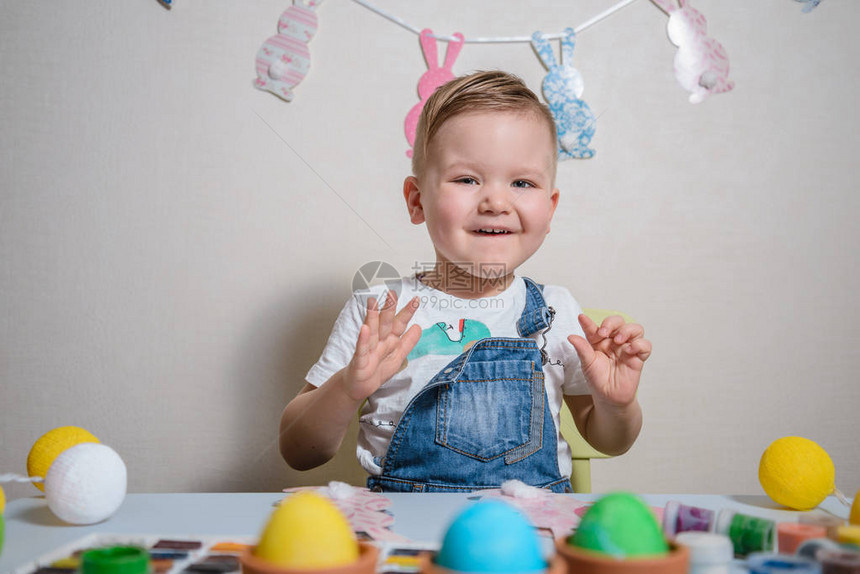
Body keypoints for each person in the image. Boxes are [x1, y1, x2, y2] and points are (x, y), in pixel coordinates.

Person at [279, 70, 650, 493]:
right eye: (467, 179)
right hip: (410, 531)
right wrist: (347, 388)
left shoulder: (557, 312)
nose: (495, 202)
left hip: (529, 536)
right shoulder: (380, 311)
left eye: (522, 182)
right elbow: (298, 450)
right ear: (418, 200)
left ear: (550, 209)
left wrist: (616, 404)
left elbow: (610, 439)